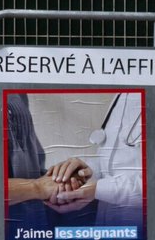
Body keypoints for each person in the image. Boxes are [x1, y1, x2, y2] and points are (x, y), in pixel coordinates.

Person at [45, 91, 144, 227]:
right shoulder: (122, 95)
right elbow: (111, 161)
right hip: (107, 223)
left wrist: (97, 189)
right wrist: (83, 172)